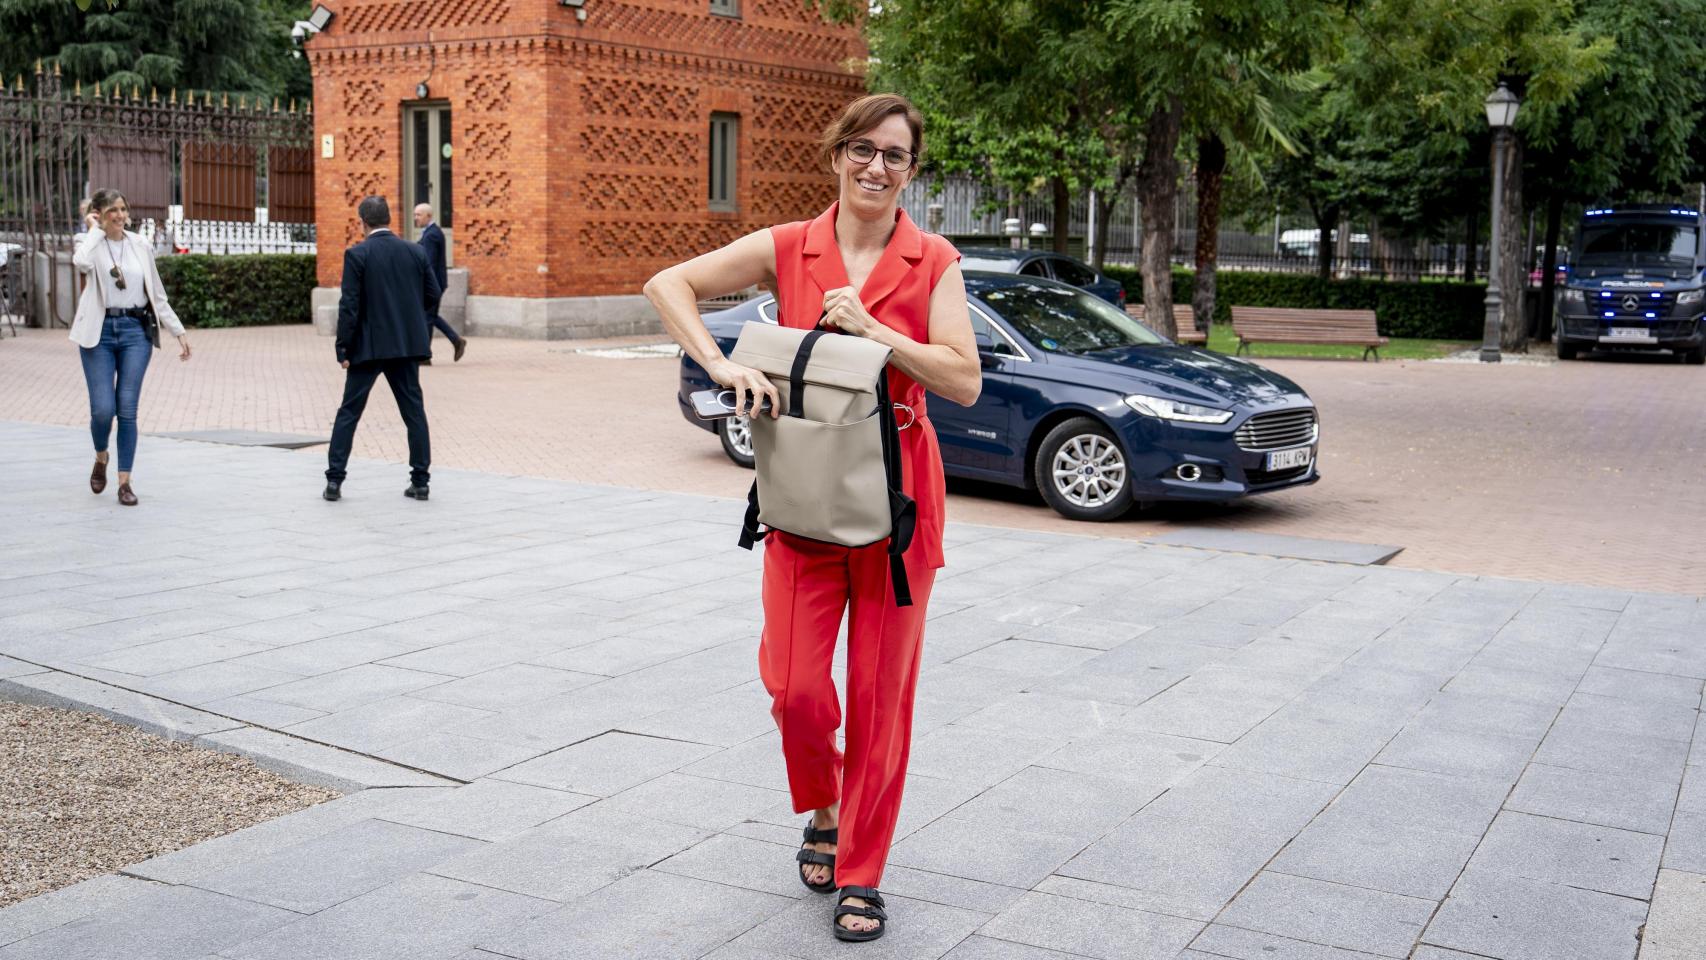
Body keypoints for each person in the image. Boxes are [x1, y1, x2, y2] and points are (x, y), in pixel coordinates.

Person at [643, 94, 980, 943]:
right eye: (862, 149)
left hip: (899, 505)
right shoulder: (790, 245)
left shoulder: (933, 259)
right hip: (803, 492)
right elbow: (667, 283)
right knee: (795, 689)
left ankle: (861, 871)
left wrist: (874, 332)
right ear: (836, 156)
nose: (876, 166)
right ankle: (824, 806)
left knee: (879, 698)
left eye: (894, 155)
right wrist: (720, 364)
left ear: (912, 170)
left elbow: (964, 379)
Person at [70, 188, 192, 506]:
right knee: (102, 410)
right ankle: (101, 456)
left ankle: (125, 482)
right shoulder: (89, 242)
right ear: (99, 214)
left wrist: (177, 330)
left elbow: (157, 294)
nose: (120, 215)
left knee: (127, 409)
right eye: (113, 210)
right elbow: (80, 263)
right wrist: (94, 230)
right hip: (98, 333)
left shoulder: (140, 245)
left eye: (123, 209)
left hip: (135, 332)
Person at [324, 196, 440, 502]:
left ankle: (334, 481)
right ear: (389, 218)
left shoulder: (357, 254)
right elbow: (433, 293)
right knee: (414, 412)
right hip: (405, 346)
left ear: (363, 222)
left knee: (349, 412)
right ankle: (421, 482)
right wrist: (410, 317)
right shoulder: (415, 251)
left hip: (368, 346)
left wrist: (343, 348)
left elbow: (349, 306)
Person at [413, 203, 465, 363]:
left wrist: (425, 285)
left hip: (433, 284)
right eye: (415, 215)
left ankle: (425, 356)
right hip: (434, 284)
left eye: (419, 215)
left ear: (428, 216)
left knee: (428, 317)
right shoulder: (430, 233)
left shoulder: (432, 235)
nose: (415, 218)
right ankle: (456, 341)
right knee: (431, 316)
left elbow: (428, 263)